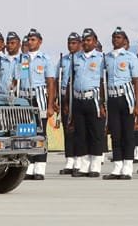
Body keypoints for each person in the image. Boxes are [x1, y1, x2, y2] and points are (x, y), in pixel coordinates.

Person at [18, 29, 57, 180]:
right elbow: (17, 79)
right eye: (29, 39)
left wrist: (50, 104)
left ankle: (40, 167)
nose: (30, 42)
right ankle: (29, 166)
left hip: (39, 96)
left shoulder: (45, 59)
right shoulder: (22, 58)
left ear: (40, 41)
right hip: (24, 96)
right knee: (26, 132)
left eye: (33, 39)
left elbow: (51, 82)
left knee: (40, 133)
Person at [102, 27, 138, 180]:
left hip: (126, 98)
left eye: (118, 37)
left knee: (128, 134)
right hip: (112, 97)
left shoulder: (131, 57)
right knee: (116, 134)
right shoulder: (107, 58)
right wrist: (102, 102)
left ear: (125, 41)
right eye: (114, 37)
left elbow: (136, 81)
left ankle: (128, 167)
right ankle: (117, 167)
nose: (115, 40)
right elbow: (102, 81)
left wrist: (137, 104)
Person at [69, 28, 106, 178]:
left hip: (94, 98)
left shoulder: (101, 58)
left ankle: (95, 166)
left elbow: (104, 81)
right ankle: (84, 166)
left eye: (89, 40)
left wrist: (103, 103)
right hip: (78, 98)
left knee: (95, 133)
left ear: (95, 41)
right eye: (84, 40)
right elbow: (71, 80)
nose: (86, 42)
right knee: (80, 134)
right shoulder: (76, 58)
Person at [59, 32, 81, 175]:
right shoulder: (64, 60)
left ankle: (79, 160)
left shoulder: (81, 58)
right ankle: (70, 160)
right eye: (69, 43)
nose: (71, 45)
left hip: (77, 95)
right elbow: (56, 79)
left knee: (78, 129)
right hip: (63, 96)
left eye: (74, 43)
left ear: (79, 43)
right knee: (67, 129)